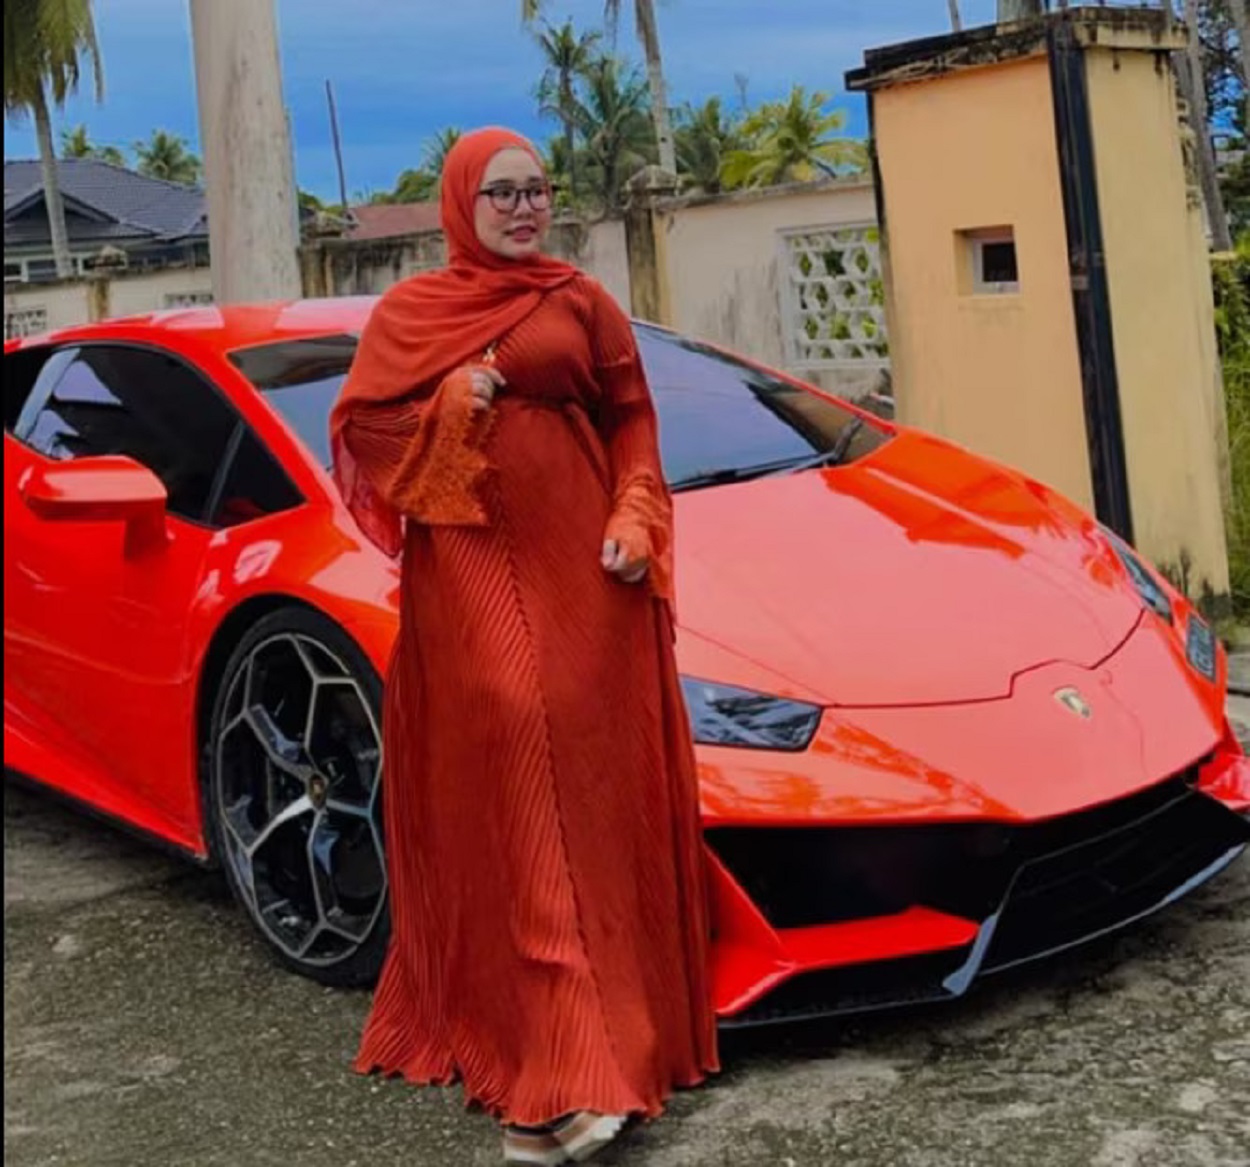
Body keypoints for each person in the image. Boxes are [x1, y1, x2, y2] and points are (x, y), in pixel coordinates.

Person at [329, 126, 719, 1165]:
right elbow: (363, 438)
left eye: (537, 190)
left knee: (581, 790)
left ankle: (601, 1053)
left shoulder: (578, 302)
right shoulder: (409, 315)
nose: (522, 206)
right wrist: (450, 407)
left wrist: (637, 513)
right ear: (460, 201)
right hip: (465, 568)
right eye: (501, 191)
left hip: (587, 570)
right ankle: (557, 1065)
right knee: (517, 767)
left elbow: (631, 417)